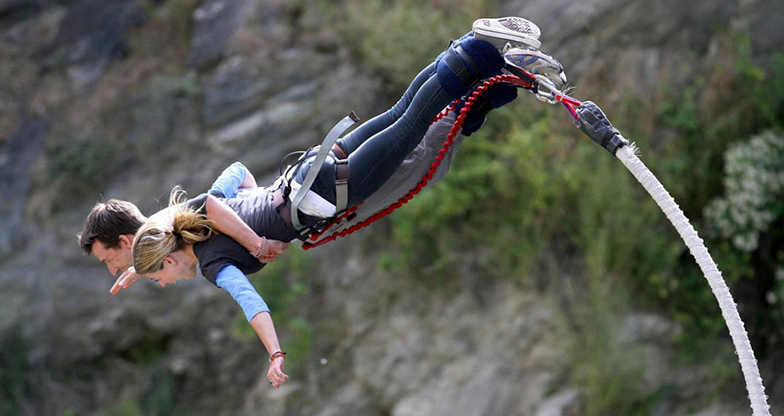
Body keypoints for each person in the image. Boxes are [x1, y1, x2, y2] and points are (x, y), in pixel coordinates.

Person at [105, 17, 545, 388]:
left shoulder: (213, 263)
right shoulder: (204, 215)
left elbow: (252, 305)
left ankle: (478, 49)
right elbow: (236, 173)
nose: (166, 284)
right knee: (399, 115)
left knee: (410, 125)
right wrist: (255, 209)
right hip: (313, 170)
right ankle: (486, 61)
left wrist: (275, 350)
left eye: (159, 278)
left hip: (328, 191)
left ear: (168, 260)